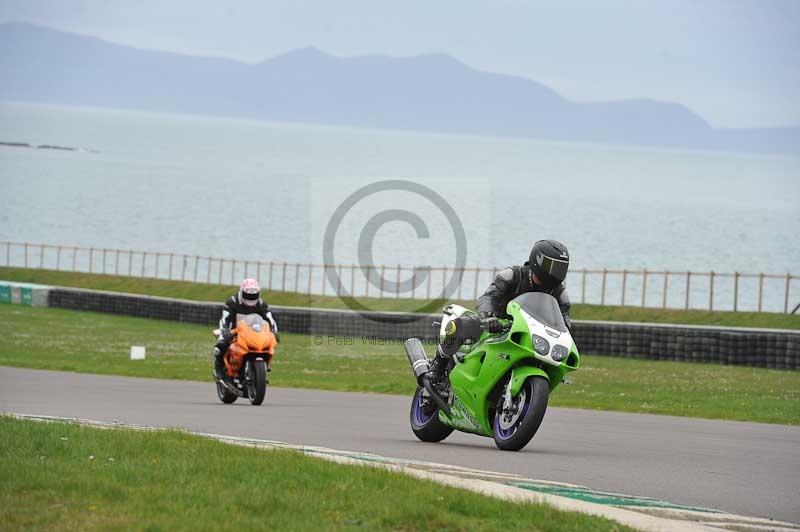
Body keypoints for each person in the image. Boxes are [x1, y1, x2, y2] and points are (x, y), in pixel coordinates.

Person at [428, 239, 572, 380]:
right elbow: (488, 297)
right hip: (497, 323)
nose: (557, 272)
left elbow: (564, 322)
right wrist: (488, 317)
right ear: (538, 260)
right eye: (553, 266)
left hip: (529, 333)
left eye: (561, 267)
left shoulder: (559, 294)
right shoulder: (513, 275)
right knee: (462, 325)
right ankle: (438, 365)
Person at [213, 278, 279, 379]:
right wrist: (225, 330)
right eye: (248, 295)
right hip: (234, 332)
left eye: (253, 295)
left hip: (253, 332)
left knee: (267, 345)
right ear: (242, 292)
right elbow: (224, 319)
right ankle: (218, 369)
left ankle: (261, 370)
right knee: (221, 344)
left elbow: (270, 319)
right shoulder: (232, 302)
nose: (251, 298)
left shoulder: (261, 304)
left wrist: (274, 331)